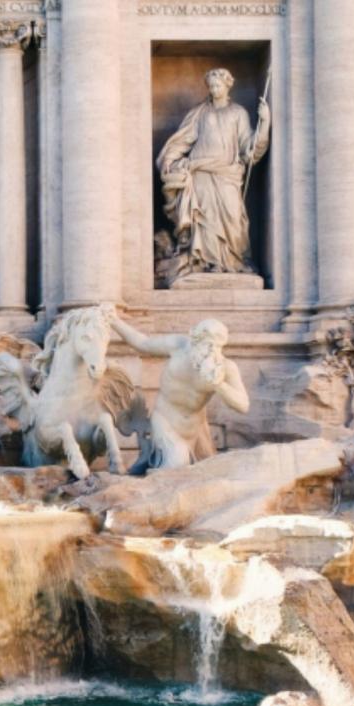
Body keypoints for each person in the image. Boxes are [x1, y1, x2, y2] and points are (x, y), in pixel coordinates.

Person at [157, 68, 270, 277]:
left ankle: (232, 261)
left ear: (228, 86)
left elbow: (249, 148)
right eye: (211, 86)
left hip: (227, 174)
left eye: (218, 85)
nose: (214, 89)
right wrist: (170, 158)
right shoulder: (200, 113)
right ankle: (209, 263)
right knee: (204, 219)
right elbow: (184, 139)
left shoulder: (238, 113)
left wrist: (264, 123)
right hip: (201, 171)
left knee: (233, 216)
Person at [105, 307, 250, 469]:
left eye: (216, 347)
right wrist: (115, 321)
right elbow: (142, 343)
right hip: (166, 422)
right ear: (195, 339)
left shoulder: (224, 368)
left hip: (197, 430)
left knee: (205, 474)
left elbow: (243, 405)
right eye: (206, 344)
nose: (211, 351)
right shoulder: (178, 346)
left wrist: (219, 385)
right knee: (176, 466)